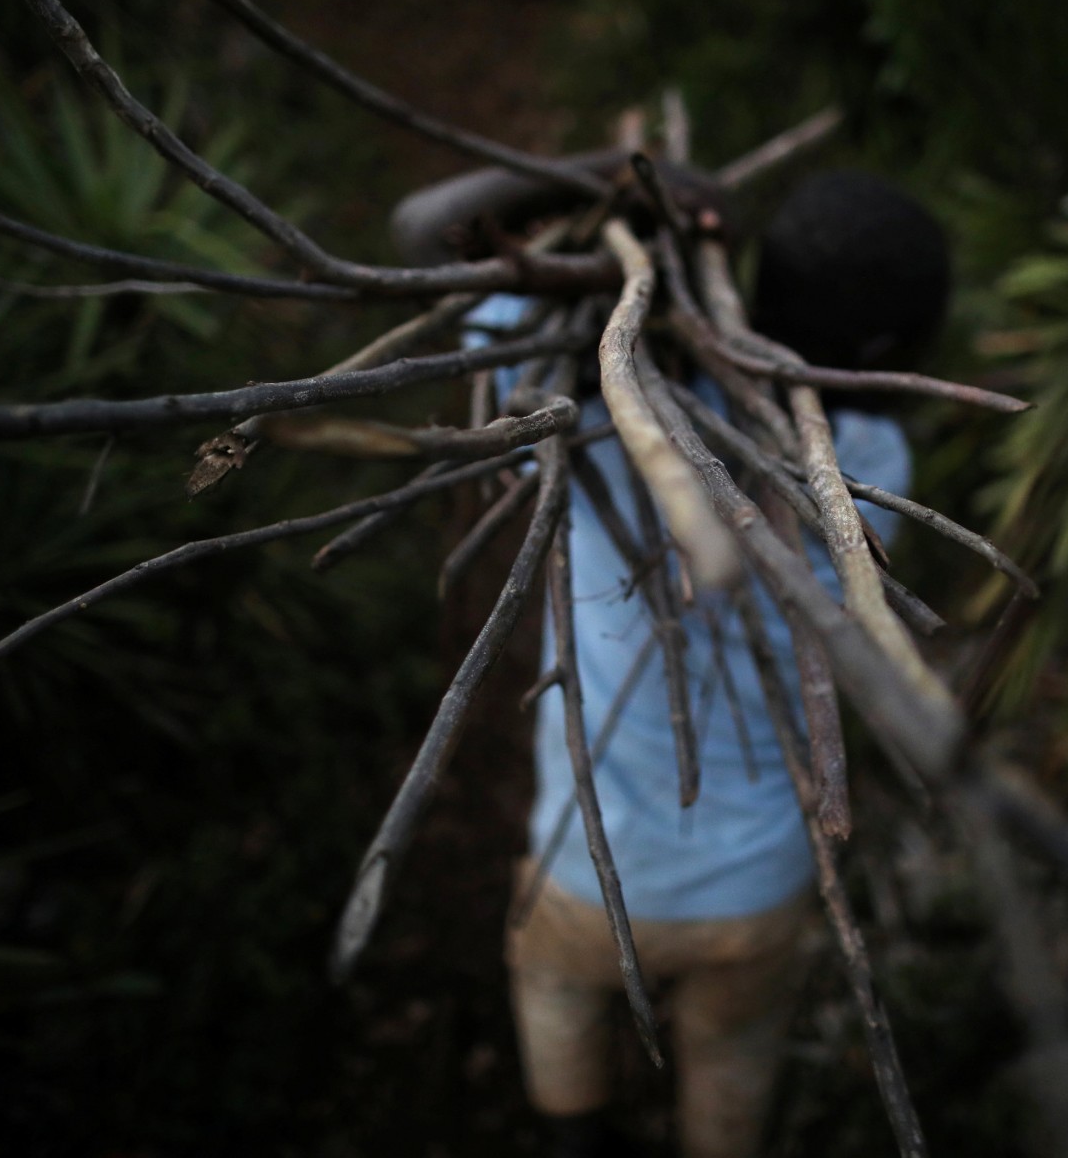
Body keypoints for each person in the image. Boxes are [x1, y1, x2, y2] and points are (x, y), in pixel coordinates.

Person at [393, 166, 952, 1158]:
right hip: (762, 883)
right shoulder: (873, 465)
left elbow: (421, 225)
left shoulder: (594, 407)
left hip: (589, 868)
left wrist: (600, 185)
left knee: (558, 1002)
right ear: (889, 354)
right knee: (733, 1071)